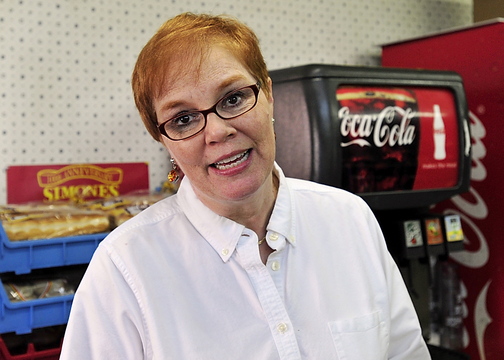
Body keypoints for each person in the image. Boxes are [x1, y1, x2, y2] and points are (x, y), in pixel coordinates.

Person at [60, 12, 431, 359]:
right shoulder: (124, 269)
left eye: (233, 98)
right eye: (184, 119)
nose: (218, 131)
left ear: (269, 95)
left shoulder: (350, 220)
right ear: (165, 141)